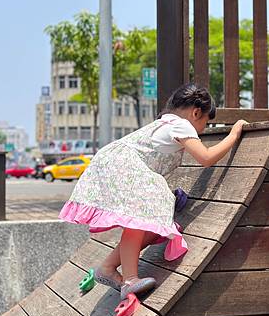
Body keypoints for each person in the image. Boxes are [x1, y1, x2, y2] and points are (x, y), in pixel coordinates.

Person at [59, 83, 248, 300]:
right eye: (205, 122)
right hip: (124, 165)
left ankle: (108, 268)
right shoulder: (182, 125)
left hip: (113, 161)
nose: (204, 130)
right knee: (139, 220)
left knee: (150, 227)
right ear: (196, 112)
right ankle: (130, 280)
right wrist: (234, 133)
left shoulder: (164, 123)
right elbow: (205, 158)